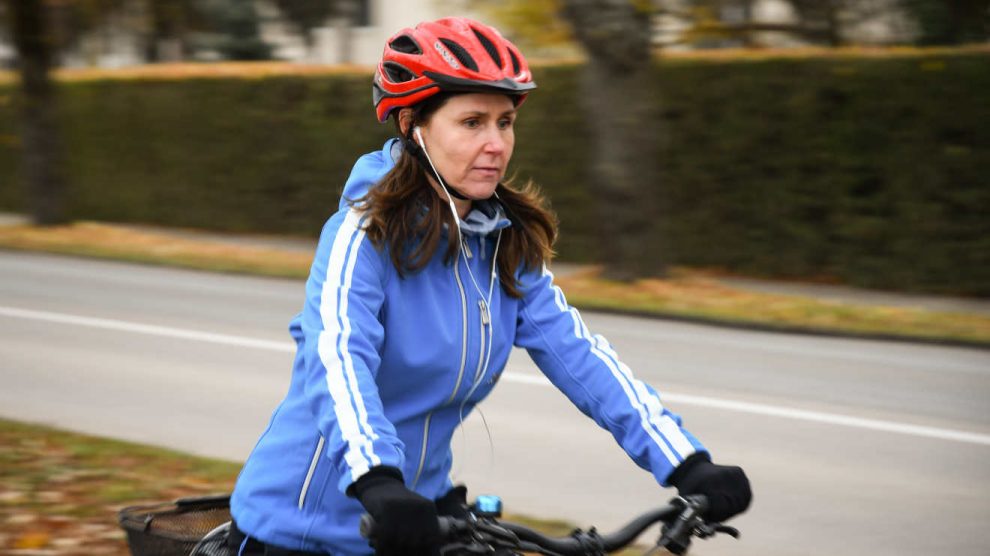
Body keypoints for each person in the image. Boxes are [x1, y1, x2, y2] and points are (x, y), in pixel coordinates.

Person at [228, 16, 751, 556]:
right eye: (472, 122)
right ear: (412, 125)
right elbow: (337, 358)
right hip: (307, 525)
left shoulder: (501, 241)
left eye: (505, 122)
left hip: (423, 516)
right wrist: (377, 477)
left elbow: (581, 356)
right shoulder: (362, 235)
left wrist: (686, 461)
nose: (496, 144)